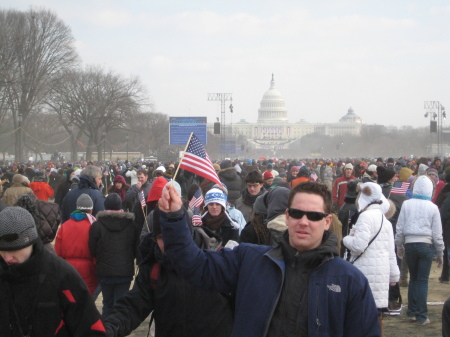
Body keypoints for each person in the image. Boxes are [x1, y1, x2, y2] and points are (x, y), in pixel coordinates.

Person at [158, 181, 381, 336]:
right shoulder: (251, 260)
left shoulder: (349, 280)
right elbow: (195, 265)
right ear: (287, 216)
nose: (303, 222)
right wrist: (175, 218)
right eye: (296, 213)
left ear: (327, 222)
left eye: (314, 216)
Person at [103, 202, 233, 337]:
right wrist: (109, 328)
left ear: (188, 232)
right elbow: (132, 306)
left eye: (174, 234)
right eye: (161, 237)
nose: (169, 242)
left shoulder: (217, 260)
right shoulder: (154, 268)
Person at [0, 207, 105, 336]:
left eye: (14, 250)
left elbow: (91, 328)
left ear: (30, 242)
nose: (7, 257)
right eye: (2, 250)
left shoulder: (62, 275)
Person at [343, 182, 400, 335]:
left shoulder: (365, 217)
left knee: (360, 318)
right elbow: (391, 252)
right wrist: (394, 276)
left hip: (365, 272)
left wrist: (346, 239)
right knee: (376, 318)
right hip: (381, 273)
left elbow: (358, 246)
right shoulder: (385, 220)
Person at [395, 175, 445, 325]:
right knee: (422, 281)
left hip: (410, 244)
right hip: (425, 246)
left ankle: (412, 311)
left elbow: (400, 227)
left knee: (413, 279)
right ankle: (421, 315)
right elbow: (437, 233)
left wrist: (399, 244)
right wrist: (440, 252)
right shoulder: (433, 208)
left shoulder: (407, 204)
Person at [89, 193, 138, 318]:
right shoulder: (131, 225)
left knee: (107, 304)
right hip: (124, 271)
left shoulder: (97, 225)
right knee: (120, 306)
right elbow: (136, 248)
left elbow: (92, 249)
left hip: (105, 272)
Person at [55, 194, 99, 295]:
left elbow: (58, 251)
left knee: (71, 299)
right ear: (91, 210)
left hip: (68, 267)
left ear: (77, 208)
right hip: (89, 269)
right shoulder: (93, 226)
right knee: (87, 299)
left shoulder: (65, 226)